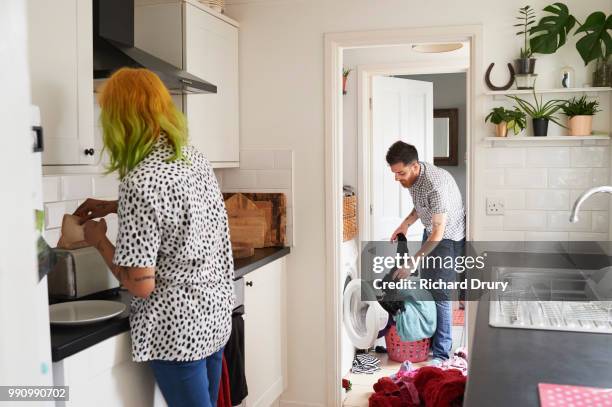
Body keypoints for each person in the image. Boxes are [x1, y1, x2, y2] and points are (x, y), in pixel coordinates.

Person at [74, 67, 234, 407]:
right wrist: (114, 206)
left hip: (178, 330)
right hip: (215, 317)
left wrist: (98, 239)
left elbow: (141, 283)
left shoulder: (139, 180)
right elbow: (180, 212)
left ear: (120, 121)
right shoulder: (193, 159)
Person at [386, 140, 465, 364]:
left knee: (439, 295)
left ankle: (441, 355)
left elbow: (439, 233)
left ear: (414, 166)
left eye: (400, 173)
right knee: (428, 290)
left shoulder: (435, 185)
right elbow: (422, 206)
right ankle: (429, 343)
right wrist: (405, 224)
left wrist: (411, 263)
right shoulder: (414, 179)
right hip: (431, 231)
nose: (396, 178)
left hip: (447, 237)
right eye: (394, 173)